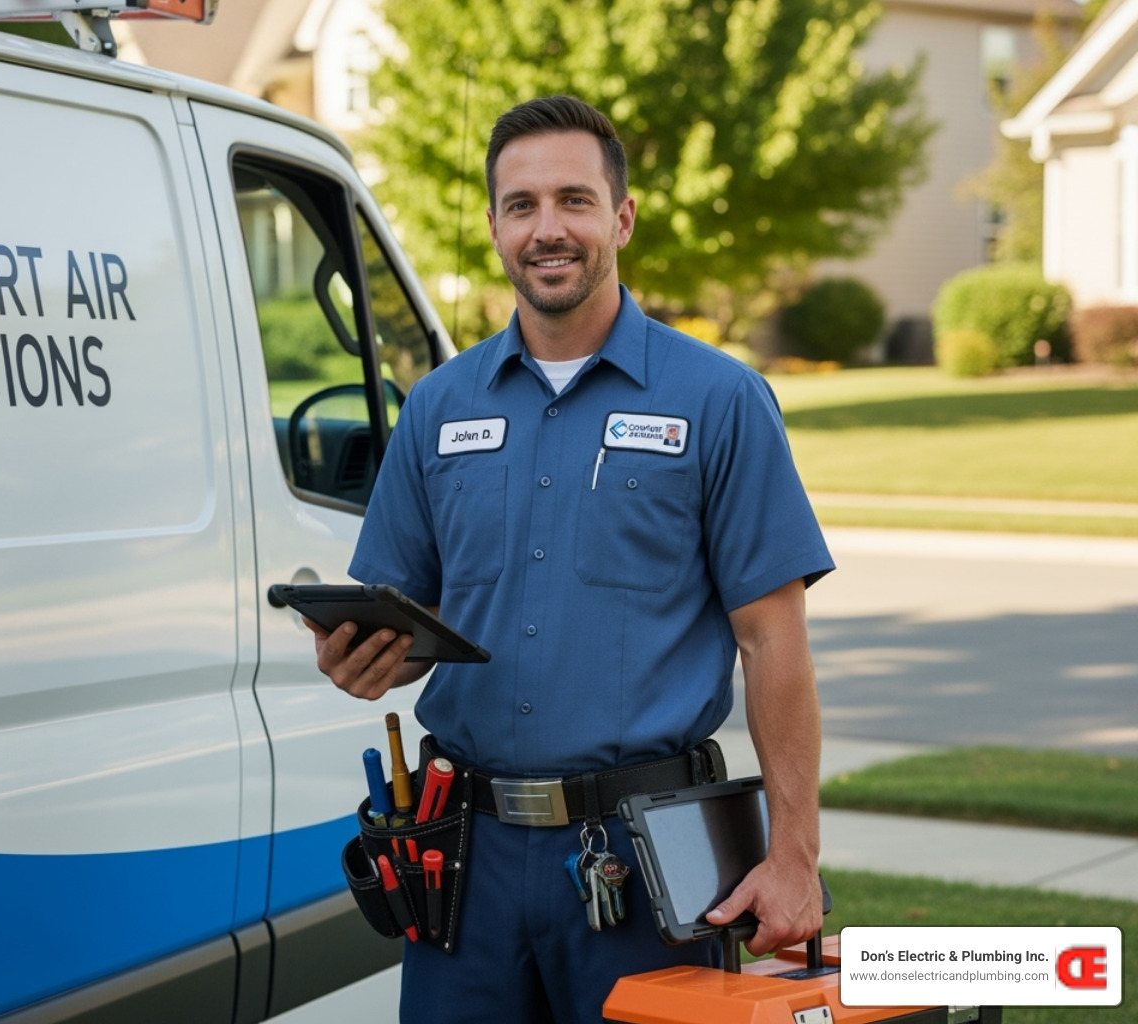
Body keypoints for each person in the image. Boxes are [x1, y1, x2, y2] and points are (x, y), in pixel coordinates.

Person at [311, 95, 833, 1024]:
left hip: (643, 863)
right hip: (459, 863)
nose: (547, 230)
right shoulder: (436, 407)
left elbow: (773, 641)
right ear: (495, 227)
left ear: (621, 217)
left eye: (574, 200)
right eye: (522, 206)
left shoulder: (719, 401)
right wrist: (364, 655)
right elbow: (409, 616)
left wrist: (793, 855)